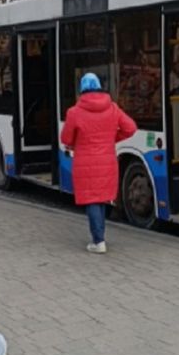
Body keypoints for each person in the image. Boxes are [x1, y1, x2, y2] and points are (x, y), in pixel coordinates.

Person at [59, 73, 138, 254]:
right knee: (101, 198)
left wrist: (76, 143)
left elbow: (66, 138)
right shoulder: (113, 108)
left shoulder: (74, 112)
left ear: (82, 89)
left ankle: (98, 240)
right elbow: (131, 128)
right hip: (107, 161)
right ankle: (100, 236)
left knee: (92, 200)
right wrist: (112, 138)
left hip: (85, 162)